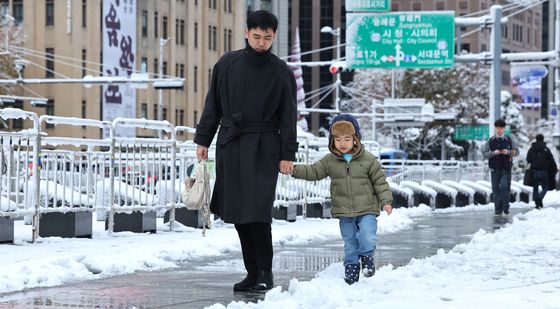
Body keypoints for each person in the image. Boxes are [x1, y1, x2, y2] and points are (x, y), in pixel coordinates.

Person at [194, 10, 298, 292]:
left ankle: (266, 272)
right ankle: (252, 272)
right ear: (246, 33)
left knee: (258, 213)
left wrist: (288, 154)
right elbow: (212, 105)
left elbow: (289, 116)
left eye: (267, 37)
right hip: (231, 145)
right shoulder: (226, 64)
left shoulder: (281, 72)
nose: (262, 42)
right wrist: (203, 140)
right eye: (256, 36)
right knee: (238, 212)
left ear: (274, 36)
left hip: (265, 147)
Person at [287, 114, 393, 285]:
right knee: (350, 243)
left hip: (367, 209)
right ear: (332, 141)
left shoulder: (368, 160)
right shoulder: (330, 161)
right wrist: (293, 169)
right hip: (344, 211)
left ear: (356, 139)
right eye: (337, 139)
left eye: (346, 139)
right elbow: (313, 172)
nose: (342, 143)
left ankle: (366, 256)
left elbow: (380, 181)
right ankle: (351, 270)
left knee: (368, 236)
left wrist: (386, 201)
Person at [482, 119, 519, 215]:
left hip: (506, 168)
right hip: (494, 168)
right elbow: (484, 153)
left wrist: (508, 152)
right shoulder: (491, 140)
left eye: (501, 128)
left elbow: (516, 152)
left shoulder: (509, 139)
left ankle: (505, 206)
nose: (499, 130)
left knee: (504, 187)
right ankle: (497, 209)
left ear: (504, 128)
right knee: (495, 189)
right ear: (495, 128)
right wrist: (494, 153)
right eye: (497, 128)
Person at [526, 134, 557, 209]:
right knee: (545, 187)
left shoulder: (531, 149)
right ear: (543, 139)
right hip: (543, 171)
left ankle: (537, 202)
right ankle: (540, 198)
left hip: (534, 171)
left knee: (535, 187)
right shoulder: (546, 149)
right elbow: (551, 159)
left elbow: (528, 159)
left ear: (536, 139)